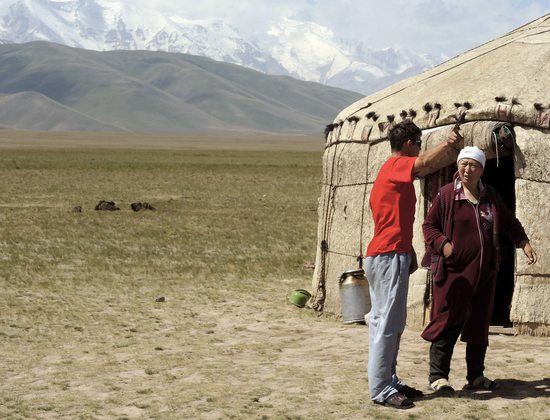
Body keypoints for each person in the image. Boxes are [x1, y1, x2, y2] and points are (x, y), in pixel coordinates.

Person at [421, 146, 537, 393]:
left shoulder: (490, 196)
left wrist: (523, 242)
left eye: (473, 165)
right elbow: (429, 226)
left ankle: (475, 376)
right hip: (455, 273)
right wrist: (445, 245)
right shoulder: (446, 196)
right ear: (458, 167)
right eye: (463, 164)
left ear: (482, 170)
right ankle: (438, 376)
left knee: (479, 325)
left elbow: (507, 220)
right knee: (448, 322)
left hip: (485, 273)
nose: (467, 169)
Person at [364, 121, 462, 409]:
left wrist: (408, 252)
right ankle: (381, 389)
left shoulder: (390, 173)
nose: (419, 148)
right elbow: (423, 164)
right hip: (387, 255)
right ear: (408, 143)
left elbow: (394, 219)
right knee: (387, 324)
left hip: (391, 253)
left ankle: (388, 379)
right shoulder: (396, 165)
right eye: (418, 142)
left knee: (390, 323)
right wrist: (448, 145)